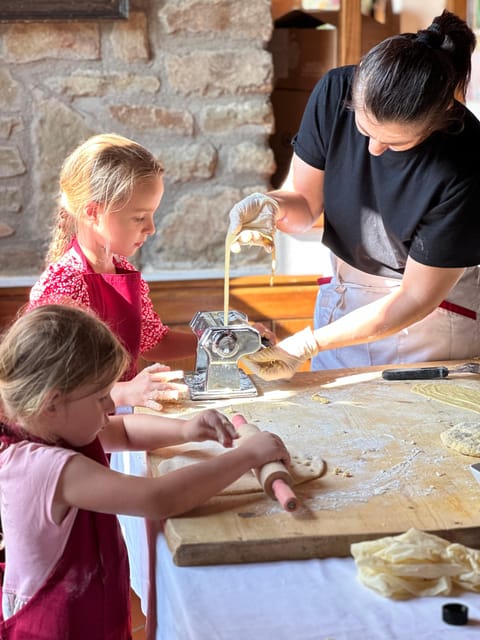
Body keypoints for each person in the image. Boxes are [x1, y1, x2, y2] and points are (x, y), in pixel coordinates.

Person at [0, 304, 289, 638]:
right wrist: (246, 457)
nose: (110, 406)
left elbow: (122, 431)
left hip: (91, 609)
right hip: (55, 627)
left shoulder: (52, 425)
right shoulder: (41, 469)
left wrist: (185, 430)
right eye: (101, 397)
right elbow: (157, 498)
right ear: (51, 403)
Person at [228, 10, 480, 381]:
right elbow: (303, 202)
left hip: (430, 319)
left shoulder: (467, 163)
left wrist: (307, 344)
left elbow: (415, 297)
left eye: (396, 142)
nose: (374, 149)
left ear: (442, 115)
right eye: (364, 128)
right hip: (345, 298)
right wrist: (272, 206)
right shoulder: (335, 91)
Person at [28, 133, 198, 410]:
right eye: (139, 217)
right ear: (93, 212)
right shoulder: (63, 287)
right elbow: (53, 387)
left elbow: (153, 341)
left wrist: (218, 340)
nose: (151, 228)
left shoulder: (124, 271)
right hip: (78, 436)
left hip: (118, 422)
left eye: (152, 215)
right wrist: (125, 393)